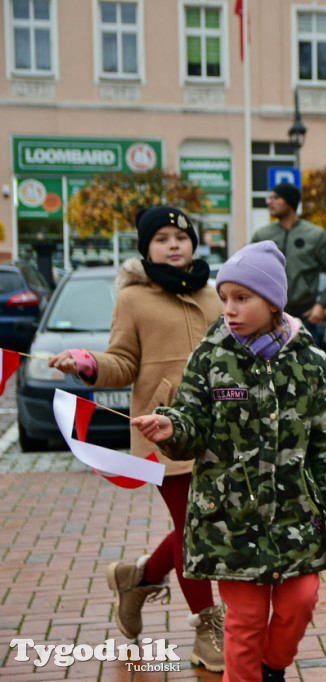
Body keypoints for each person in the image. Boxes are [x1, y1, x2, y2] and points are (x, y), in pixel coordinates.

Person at [130, 241, 326, 682]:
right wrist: (172, 428)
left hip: (295, 518)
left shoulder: (311, 363)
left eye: (242, 298)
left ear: (273, 302)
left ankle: (273, 666)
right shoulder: (211, 358)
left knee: (301, 600)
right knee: (245, 621)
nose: (229, 309)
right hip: (227, 521)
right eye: (224, 298)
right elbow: (191, 418)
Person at [47, 206, 224, 671]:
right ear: (146, 247)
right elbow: (122, 362)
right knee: (195, 528)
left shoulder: (214, 293)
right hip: (161, 433)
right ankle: (207, 626)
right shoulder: (133, 299)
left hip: (219, 432)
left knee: (203, 524)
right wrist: (88, 363)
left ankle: (137, 578)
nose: (173, 245)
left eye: (181, 237)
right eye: (162, 238)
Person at [251, 181, 326, 346]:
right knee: (267, 370)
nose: (269, 202)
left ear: (289, 202)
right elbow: (250, 273)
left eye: (275, 198)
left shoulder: (316, 236)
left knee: (306, 370)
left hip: (304, 319)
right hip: (267, 319)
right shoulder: (262, 236)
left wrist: (322, 304)